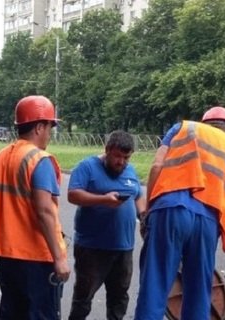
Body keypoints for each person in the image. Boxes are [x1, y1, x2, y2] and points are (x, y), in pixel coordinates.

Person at [134, 106, 225, 320]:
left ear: (205, 123)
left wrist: (149, 213)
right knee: (198, 294)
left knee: (155, 286)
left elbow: (157, 166)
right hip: (208, 221)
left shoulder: (184, 129)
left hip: (169, 210)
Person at [0, 95, 71, 320]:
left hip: (6, 253)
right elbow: (45, 211)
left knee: (13, 312)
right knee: (41, 314)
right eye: (50, 127)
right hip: (36, 257)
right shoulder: (39, 160)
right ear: (40, 127)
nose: (49, 134)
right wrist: (59, 258)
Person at [67, 130, 145, 320]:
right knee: (83, 298)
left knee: (119, 299)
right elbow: (73, 194)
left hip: (124, 248)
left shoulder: (131, 171)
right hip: (92, 248)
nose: (122, 162)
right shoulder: (87, 167)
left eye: (126, 157)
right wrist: (103, 200)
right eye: (118, 156)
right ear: (107, 150)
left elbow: (138, 195)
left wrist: (143, 215)